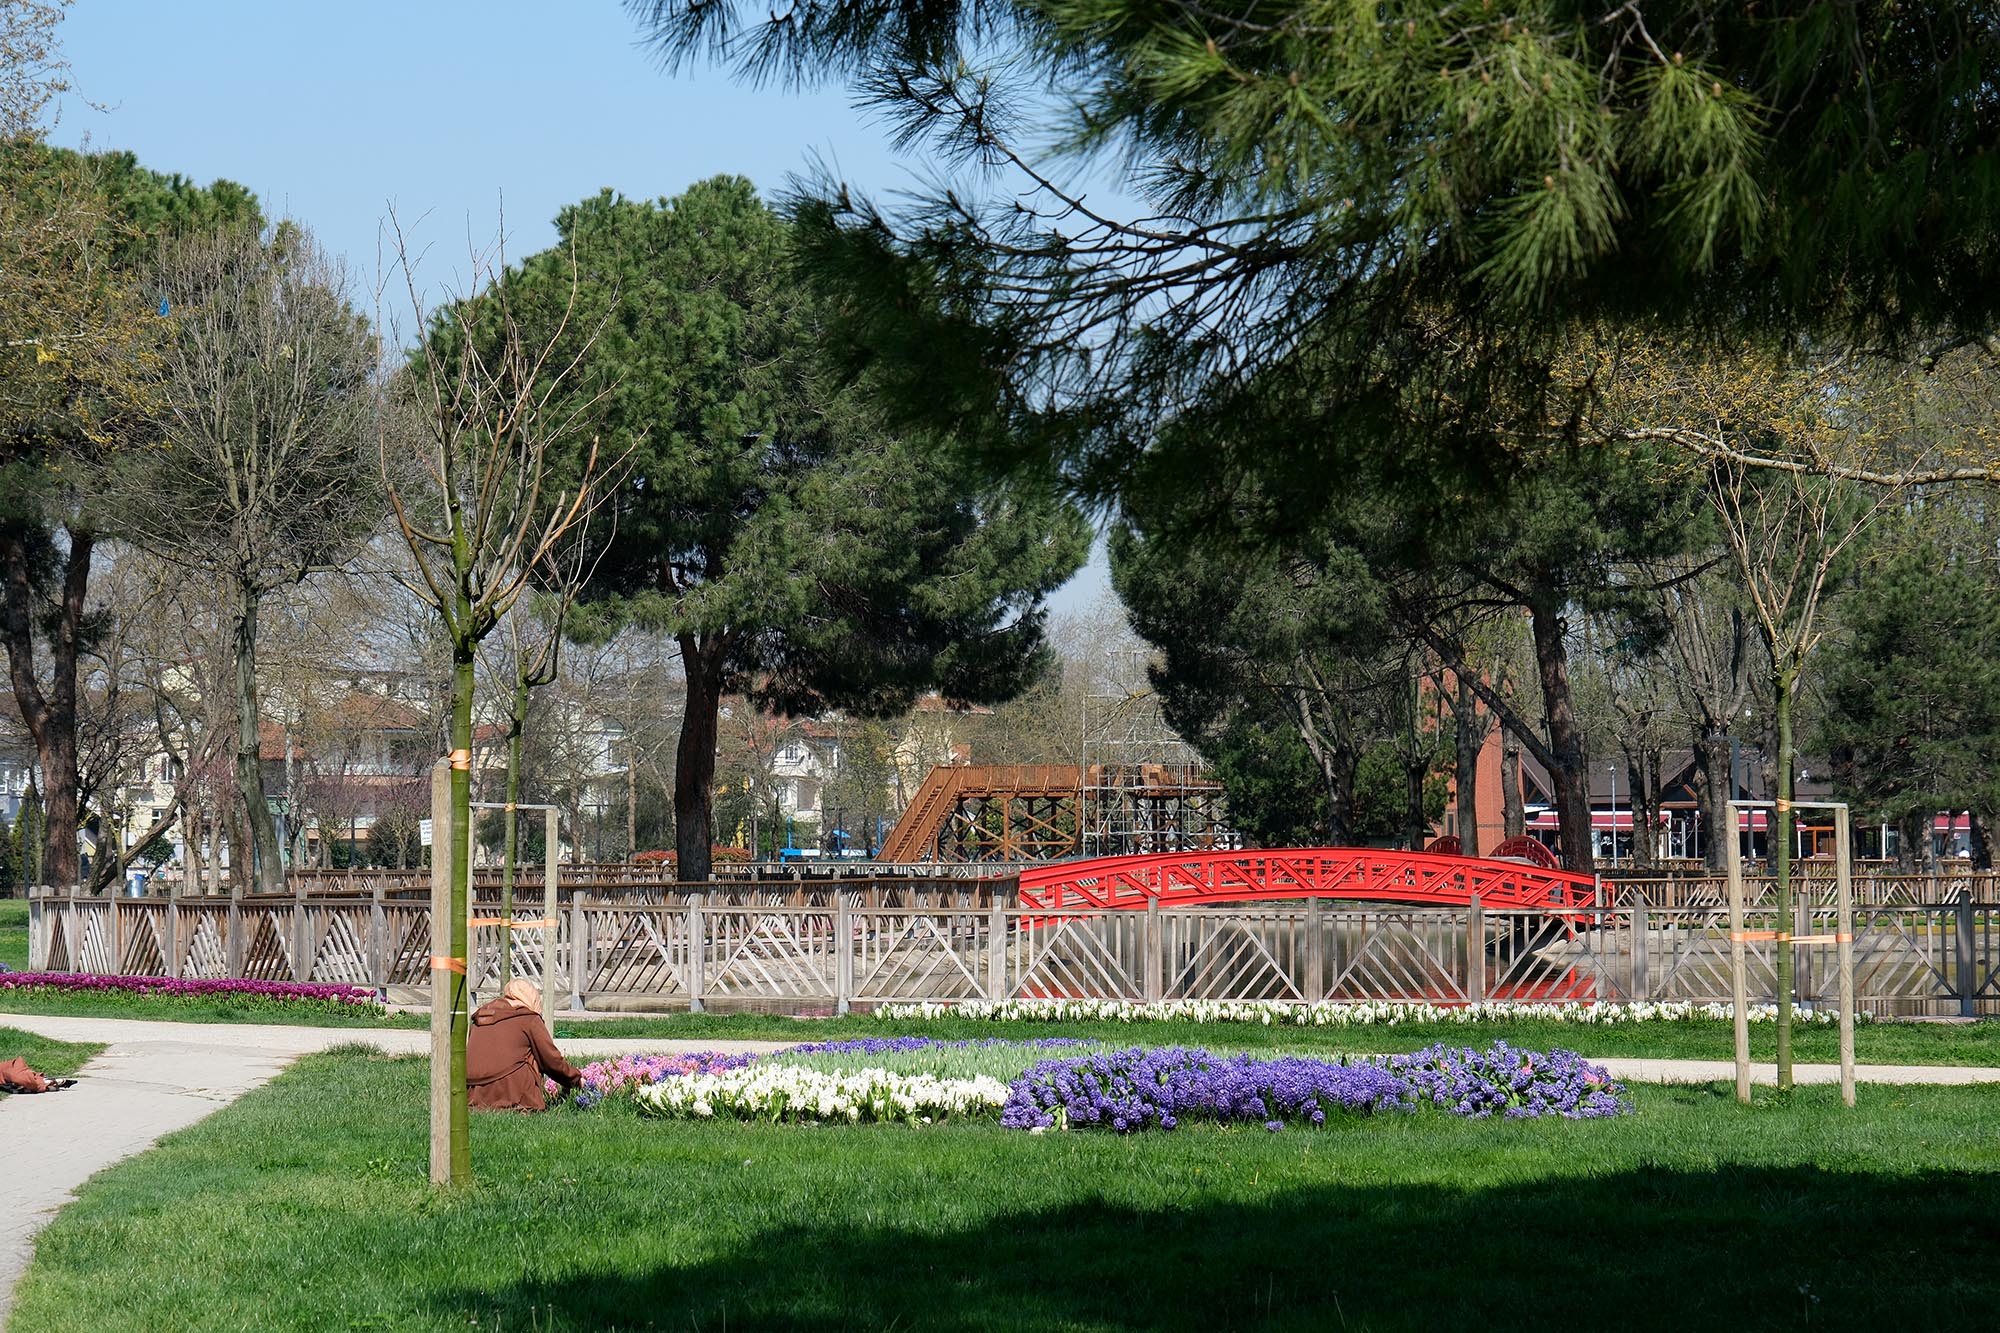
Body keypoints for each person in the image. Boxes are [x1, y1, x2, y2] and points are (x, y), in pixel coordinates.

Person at [465, 979, 581, 1112]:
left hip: (473, 1097)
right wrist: (575, 1079)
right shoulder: (529, 1019)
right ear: (532, 999)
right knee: (533, 1054)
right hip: (513, 1098)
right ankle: (528, 1102)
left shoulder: (479, 1019)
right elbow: (551, 1061)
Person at [0, 1057, 74, 1093]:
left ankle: (45, 1082)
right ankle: (46, 1083)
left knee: (17, 1077)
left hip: (10, 1069)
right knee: (19, 1079)